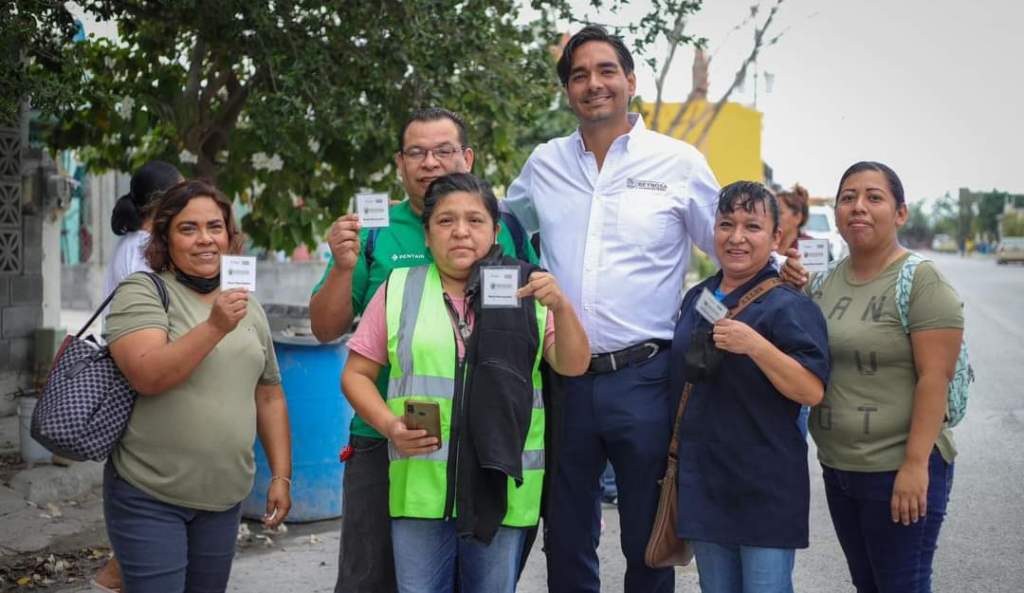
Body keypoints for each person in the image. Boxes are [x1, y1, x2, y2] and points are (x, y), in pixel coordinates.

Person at [504, 24, 720, 593]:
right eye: (579, 75)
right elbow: (499, 233)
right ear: (567, 91)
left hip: (646, 378)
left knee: (647, 538)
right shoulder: (544, 164)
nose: (593, 84)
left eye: (605, 71)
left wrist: (781, 268)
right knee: (567, 535)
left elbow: (730, 247)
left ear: (630, 80)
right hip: (564, 380)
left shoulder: (678, 162)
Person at [309, 107, 539, 593]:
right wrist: (341, 265)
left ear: (468, 157)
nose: (430, 162)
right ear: (400, 162)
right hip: (384, 436)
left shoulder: (502, 227)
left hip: (486, 441)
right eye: (417, 151)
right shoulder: (370, 230)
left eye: (444, 150)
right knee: (370, 579)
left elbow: (535, 324)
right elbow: (327, 329)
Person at [340, 172, 590, 593]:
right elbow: (356, 375)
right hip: (420, 490)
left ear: (495, 232)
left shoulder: (527, 289)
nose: (460, 232)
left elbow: (573, 365)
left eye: (475, 221)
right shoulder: (399, 288)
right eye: (445, 221)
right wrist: (390, 427)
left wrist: (562, 307)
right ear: (427, 235)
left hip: (502, 488)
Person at [103, 179, 292, 593]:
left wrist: (281, 476)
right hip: (150, 492)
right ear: (165, 238)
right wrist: (214, 327)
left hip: (224, 500)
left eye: (215, 227)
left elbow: (269, 393)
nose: (205, 239)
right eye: (188, 229)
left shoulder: (247, 304)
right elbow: (148, 375)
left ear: (229, 236)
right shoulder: (143, 291)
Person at [782, 162, 962, 593]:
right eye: (848, 198)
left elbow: (935, 378)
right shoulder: (822, 283)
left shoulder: (921, 280)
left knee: (902, 584)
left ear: (900, 213)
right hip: (840, 467)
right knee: (868, 584)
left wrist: (916, 466)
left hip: (899, 467)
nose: (858, 207)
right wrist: (792, 287)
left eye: (874, 197)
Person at [671, 181, 830, 593]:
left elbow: (811, 390)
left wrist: (756, 346)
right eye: (726, 224)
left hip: (765, 491)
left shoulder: (790, 305)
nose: (736, 237)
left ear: (776, 237)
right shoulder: (698, 297)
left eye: (752, 227)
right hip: (705, 485)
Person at [93, 160, 183, 593]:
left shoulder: (136, 243)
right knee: (146, 503)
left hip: (137, 369)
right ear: (160, 203)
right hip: (138, 374)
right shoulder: (143, 248)